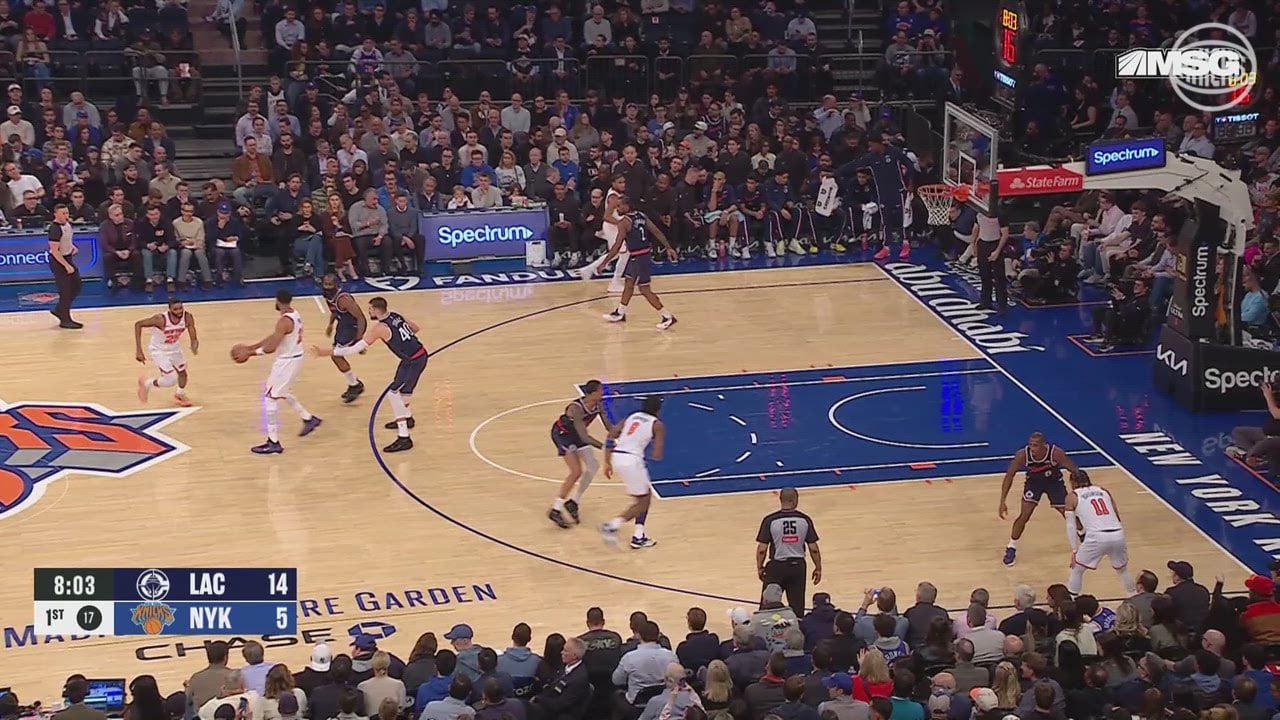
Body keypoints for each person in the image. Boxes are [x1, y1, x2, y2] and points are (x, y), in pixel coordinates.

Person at [313, 297, 427, 453]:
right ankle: (407, 418)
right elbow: (415, 328)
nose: (369, 312)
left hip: (413, 361)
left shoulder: (380, 328)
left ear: (374, 310)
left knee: (394, 394)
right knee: (404, 392)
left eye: (370, 309)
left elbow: (355, 349)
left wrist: (327, 352)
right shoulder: (395, 315)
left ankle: (404, 437)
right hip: (416, 356)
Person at [231, 289, 323, 454]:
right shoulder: (294, 314)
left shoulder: (284, 322)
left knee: (270, 397)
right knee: (283, 392)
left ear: (278, 301)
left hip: (287, 362)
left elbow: (271, 347)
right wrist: (250, 347)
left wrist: (251, 353)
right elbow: (274, 337)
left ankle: (273, 442)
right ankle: (308, 418)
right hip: (295, 358)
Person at [999, 432, 1079, 566]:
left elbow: (1075, 471)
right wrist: (1002, 501)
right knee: (1025, 515)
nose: (1032, 448)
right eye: (1030, 445)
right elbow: (1009, 476)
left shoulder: (1055, 453)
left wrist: (1083, 491)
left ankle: (1084, 534)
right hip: (1034, 483)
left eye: (1035, 445)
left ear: (1044, 446)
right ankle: (1011, 547)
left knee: (1068, 513)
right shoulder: (1023, 455)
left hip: (1054, 483)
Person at [600, 197, 679, 329]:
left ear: (627, 206)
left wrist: (604, 262)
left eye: (619, 206)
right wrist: (668, 247)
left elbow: (617, 246)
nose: (617, 209)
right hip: (641, 256)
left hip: (639, 258)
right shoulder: (641, 216)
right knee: (628, 284)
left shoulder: (624, 222)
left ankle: (667, 316)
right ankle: (620, 313)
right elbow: (656, 232)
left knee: (644, 289)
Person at [600, 395, 667, 548]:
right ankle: (612, 525)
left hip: (617, 456)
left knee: (645, 496)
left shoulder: (632, 416)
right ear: (658, 410)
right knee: (642, 502)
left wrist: (607, 461)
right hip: (632, 460)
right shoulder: (657, 425)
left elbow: (611, 435)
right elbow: (657, 454)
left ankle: (639, 536)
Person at [548, 379, 615, 529]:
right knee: (576, 471)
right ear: (592, 393)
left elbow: (609, 426)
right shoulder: (575, 408)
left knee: (593, 466)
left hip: (578, 434)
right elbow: (584, 437)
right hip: (563, 435)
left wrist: (624, 435)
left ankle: (573, 502)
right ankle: (555, 509)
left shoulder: (599, 404)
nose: (603, 393)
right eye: (600, 391)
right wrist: (604, 446)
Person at [1064, 470, 1136, 596]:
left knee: (1077, 569)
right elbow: (1116, 515)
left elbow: (1071, 525)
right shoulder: (1103, 491)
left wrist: (1075, 550)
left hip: (1097, 536)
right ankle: (1133, 595)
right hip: (1117, 533)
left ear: (1072, 482)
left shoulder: (1072, 496)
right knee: (1123, 570)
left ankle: (1072, 600)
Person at [756, 487, 823, 616]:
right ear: (795, 500)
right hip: (797, 567)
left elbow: (762, 550)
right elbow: (813, 549)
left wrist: (760, 567)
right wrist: (818, 567)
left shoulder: (770, 520)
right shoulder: (805, 520)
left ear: (780, 499)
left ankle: (764, 625)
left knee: (767, 605)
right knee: (797, 607)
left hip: (776, 567)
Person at [135, 296, 199, 407]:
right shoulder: (160, 319)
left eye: (181, 308)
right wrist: (139, 350)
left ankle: (180, 394)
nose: (179, 311)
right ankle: (147, 384)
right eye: (175, 309)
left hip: (174, 348)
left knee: (183, 373)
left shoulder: (187, 317)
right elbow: (138, 324)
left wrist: (194, 341)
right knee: (171, 380)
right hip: (158, 350)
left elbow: (191, 327)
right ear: (170, 309)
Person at [577, 174, 627, 292]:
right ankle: (615, 282)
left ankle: (589, 269)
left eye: (624, 182)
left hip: (613, 226)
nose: (623, 184)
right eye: (620, 182)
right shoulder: (613, 197)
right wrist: (620, 223)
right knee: (624, 253)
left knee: (616, 253)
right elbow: (606, 216)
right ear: (613, 183)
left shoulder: (615, 193)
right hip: (612, 227)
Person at [321, 274, 366, 403]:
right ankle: (355, 383)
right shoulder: (328, 296)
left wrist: (360, 340)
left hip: (353, 327)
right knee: (336, 354)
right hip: (343, 325)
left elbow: (361, 318)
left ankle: (355, 385)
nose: (327, 287)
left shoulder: (344, 299)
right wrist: (330, 325)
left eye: (330, 284)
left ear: (336, 285)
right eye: (325, 284)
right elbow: (334, 311)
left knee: (336, 355)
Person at [47, 203, 81, 329]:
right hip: (58, 261)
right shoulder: (54, 229)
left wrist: (72, 247)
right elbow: (55, 251)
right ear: (55, 214)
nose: (66, 216)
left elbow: (66, 240)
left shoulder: (67, 225)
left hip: (68, 257)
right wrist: (66, 265)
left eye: (67, 213)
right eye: (63, 213)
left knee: (77, 285)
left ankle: (60, 309)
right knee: (65, 290)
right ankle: (65, 319)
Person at [971, 208, 1008, 313]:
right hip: (982, 243)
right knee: (984, 274)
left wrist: (997, 251)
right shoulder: (979, 210)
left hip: (995, 243)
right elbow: (976, 227)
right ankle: (985, 301)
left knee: (999, 277)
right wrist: (973, 244)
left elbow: (1005, 234)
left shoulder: (999, 212)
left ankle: (1002, 305)